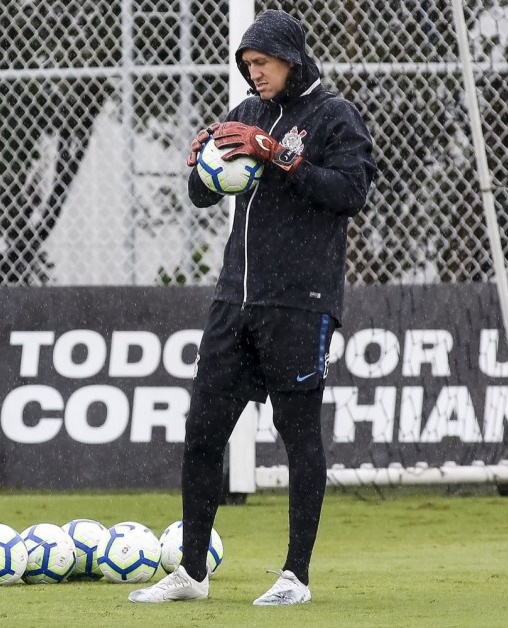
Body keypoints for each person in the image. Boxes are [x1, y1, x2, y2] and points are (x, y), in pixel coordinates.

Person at [129, 9, 377, 605]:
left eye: (261, 63)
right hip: (233, 301)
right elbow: (202, 197)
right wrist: (200, 167)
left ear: (291, 57)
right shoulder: (244, 113)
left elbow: (351, 192)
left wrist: (279, 155)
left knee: (298, 436)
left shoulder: (333, 115)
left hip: (299, 303)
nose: (253, 74)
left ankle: (296, 576)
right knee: (200, 434)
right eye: (247, 65)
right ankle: (191, 573)